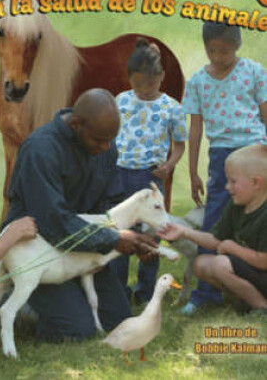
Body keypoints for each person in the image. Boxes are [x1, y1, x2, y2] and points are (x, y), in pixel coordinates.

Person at [1, 88, 158, 343]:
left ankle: (62, 299)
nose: (107, 147)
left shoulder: (104, 145)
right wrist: (111, 239)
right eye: (99, 141)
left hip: (85, 245)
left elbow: (112, 202)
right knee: (76, 330)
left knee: (118, 320)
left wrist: (135, 239)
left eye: (111, 140)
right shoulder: (40, 150)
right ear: (76, 125)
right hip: (38, 250)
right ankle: (16, 302)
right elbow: (53, 221)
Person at [181, 21, 267, 315]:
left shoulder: (254, 72)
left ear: (237, 46)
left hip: (256, 150)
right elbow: (195, 131)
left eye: (225, 50)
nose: (217, 56)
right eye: (211, 50)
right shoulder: (197, 82)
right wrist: (192, 171)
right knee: (215, 218)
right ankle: (205, 294)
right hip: (221, 156)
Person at [111, 37, 187, 304]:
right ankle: (118, 290)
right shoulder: (120, 101)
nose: (144, 90)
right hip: (119, 175)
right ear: (129, 78)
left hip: (150, 178)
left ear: (162, 77)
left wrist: (169, 165)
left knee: (152, 236)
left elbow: (179, 144)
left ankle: (144, 292)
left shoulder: (171, 108)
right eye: (137, 84)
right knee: (119, 233)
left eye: (151, 84)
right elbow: (110, 135)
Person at [159, 144, 267, 314]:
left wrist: (233, 248)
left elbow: (264, 261)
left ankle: (262, 307)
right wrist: (184, 231)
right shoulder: (237, 205)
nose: (227, 187)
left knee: (220, 264)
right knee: (201, 264)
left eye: (233, 181)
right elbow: (216, 240)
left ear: (256, 182)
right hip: (255, 273)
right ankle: (247, 303)